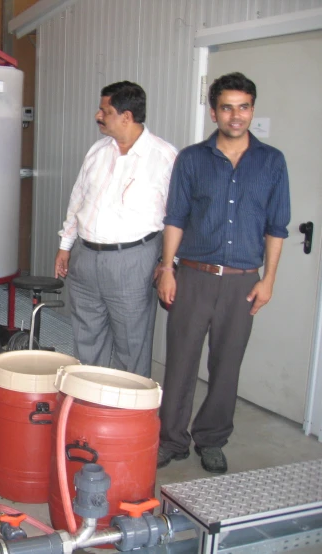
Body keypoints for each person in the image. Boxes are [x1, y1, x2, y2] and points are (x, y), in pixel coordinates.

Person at [155, 72, 291, 474]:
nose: (236, 116)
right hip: (193, 276)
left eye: (244, 107)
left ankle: (211, 439)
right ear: (214, 112)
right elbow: (175, 217)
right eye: (227, 107)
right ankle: (171, 439)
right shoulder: (192, 159)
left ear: (252, 109)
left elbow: (277, 227)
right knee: (180, 362)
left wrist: (268, 280)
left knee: (227, 365)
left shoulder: (271, 162)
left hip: (242, 281)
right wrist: (167, 269)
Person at [54, 81, 177, 378]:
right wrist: (65, 246)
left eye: (105, 110)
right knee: (86, 339)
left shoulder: (165, 157)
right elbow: (78, 199)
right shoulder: (98, 151)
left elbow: (178, 217)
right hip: (86, 257)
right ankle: (88, 407)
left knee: (131, 343)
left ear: (126, 116)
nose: (98, 115)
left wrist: (169, 264)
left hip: (133, 260)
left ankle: (126, 416)